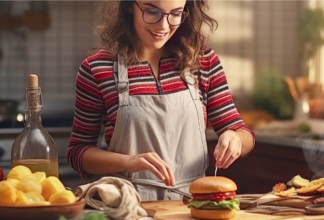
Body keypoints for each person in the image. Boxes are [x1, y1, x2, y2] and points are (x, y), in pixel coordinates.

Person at [68, 0, 255, 201]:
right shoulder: (98, 68)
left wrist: (235, 139)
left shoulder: (204, 62)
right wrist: (127, 161)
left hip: (192, 206)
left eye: (175, 14)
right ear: (130, 5)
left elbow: (243, 134)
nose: (163, 26)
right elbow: (78, 153)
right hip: (130, 206)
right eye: (152, 12)